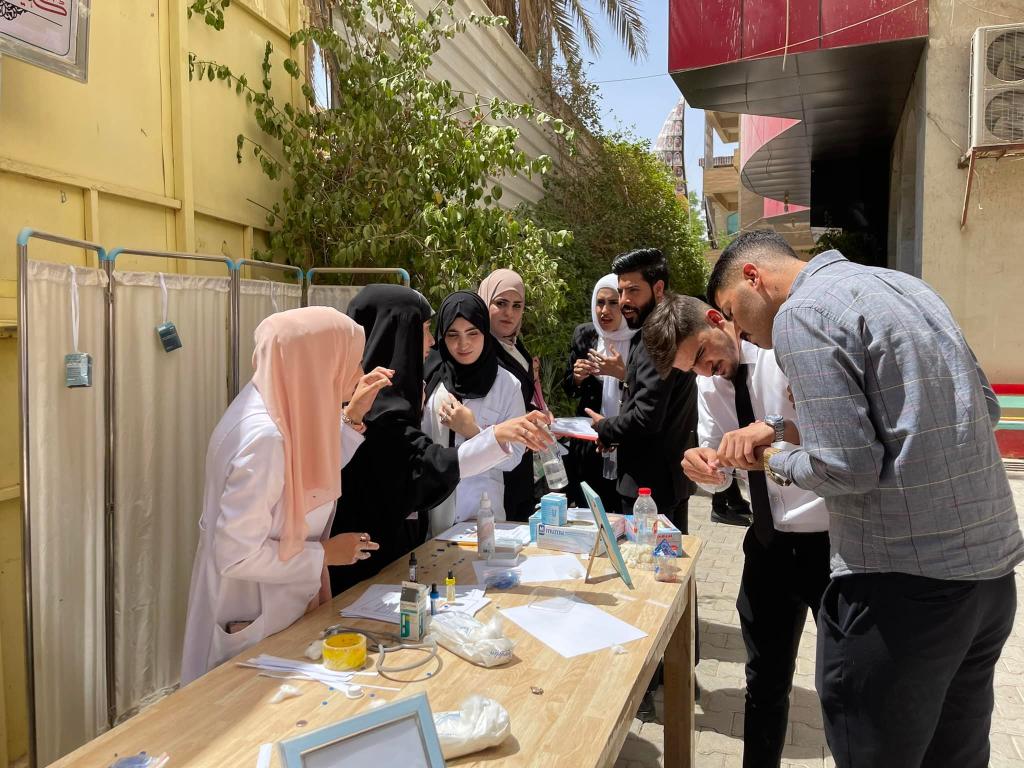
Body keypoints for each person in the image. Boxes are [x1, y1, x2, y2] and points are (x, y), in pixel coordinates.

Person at [706, 229, 1024, 768]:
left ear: (753, 277)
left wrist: (771, 458)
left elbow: (846, 468)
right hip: (989, 579)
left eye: (734, 313)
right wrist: (790, 424)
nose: (741, 333)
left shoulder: (800, 314)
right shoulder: (908, 288)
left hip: (903, 591)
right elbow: (985, 407)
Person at [644, 294, 830, 768]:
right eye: (693, 369)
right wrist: (703, 467)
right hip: (767, 542)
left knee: (844, 682)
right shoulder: (709, 383)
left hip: (829, 539)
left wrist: (773, 429)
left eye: (703, 355)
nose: (705, 370)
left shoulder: (780, 350)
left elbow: (832, 427)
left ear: (716, 320)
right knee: (763, 681)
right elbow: (722, 467)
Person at [181, 307, 392, 683]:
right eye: (351, 361)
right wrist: (324, 555)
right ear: (318, 362)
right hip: (252, 611)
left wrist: (352, 416)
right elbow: (236, 554)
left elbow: (304, 474)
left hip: (270, 606)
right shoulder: (265, 437)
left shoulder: (279, 405)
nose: (359, 372)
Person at [330, 285, 553, 596]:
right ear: (401, 333)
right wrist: (494, 436)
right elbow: (423, 463)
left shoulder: (390, 396)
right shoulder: (378, 403)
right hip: (362, 559)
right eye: (424, 329)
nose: (433, 341)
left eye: (473, 333)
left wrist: (483, 434)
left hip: (411, 543)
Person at [586, 248, 696, 527]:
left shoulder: (655, 337)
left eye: (633, 290)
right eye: (621, 291)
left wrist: (605, 427)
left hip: (650, 489)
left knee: (649, 555)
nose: (624, 301)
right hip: (667, 482)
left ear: (658, 289)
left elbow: (647, 417)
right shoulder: (667, 328)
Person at [422, 291, 528, 534]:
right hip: (433, 515)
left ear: (485, 332)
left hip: (484, 517)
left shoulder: (507, 385)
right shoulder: (429, 382)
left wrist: (473, 431)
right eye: (453, 335)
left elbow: (514, 458)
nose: (463, 344)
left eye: (473, 333)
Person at [560, 274, 634, 511]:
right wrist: (577, 377)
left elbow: (648, 392)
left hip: (626, 442)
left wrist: (623, 374)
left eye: (613, 303)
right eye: (600, 303)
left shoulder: (638, 340)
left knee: (620, 514)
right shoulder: (585, 335)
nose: (605, 310)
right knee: (588, 511)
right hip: (589, 443)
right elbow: (569, 387)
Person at [478, 269, 545, 520]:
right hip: (498, 460)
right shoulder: (479, 351)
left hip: (521, 456)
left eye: (517, 306)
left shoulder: (513, 344)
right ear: (485, 302)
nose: (509, 313)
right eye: (501, 303)